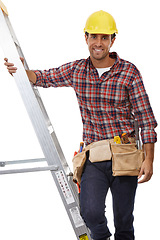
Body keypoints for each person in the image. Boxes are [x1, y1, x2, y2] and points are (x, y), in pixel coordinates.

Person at [4, 10, 157, 240]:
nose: (98, 43)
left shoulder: (129, 72)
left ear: (112, 40)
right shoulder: (77, 70)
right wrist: (19, 69)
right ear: (85, 38)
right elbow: (45, 77)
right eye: (93, 37)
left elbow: (146, 119)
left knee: (124, 220)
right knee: (90, 212)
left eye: (104, 37)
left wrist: (149, 159)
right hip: (94, 156)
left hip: (125, 154)